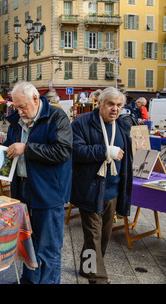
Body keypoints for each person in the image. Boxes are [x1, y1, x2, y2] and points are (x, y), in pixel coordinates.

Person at [3, 81, 73, 284]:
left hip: (48, 191)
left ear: (36, 99)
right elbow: (10, 148)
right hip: (22, 187)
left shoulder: (56, 116)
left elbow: (62, 151)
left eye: (22, 106)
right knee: (27, 242)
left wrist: (26, 148)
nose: (20, 111)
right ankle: (30, 280)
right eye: (16, 106)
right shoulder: (16, 119)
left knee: (48, 248)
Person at [71, 87, 133, 284]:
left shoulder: (122, 125)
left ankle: (86, 267)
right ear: (99, 104)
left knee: (102, 239)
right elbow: (76, 151)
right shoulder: (82, 123)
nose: (115, 109)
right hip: (89, 190)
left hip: (112, 191)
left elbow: (126, 158)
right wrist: (106, 151)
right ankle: (97, 279)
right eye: (110, 104)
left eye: (118, 105)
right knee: (94, 238)